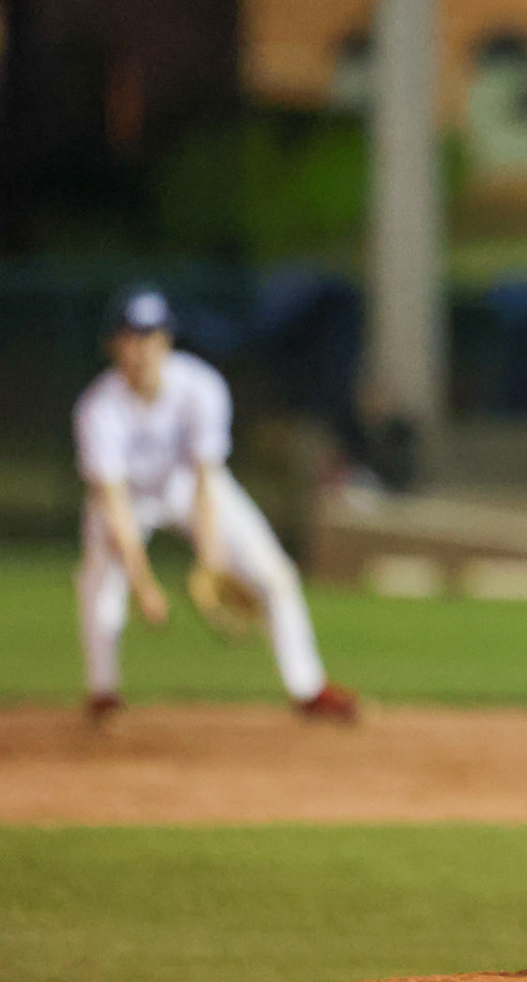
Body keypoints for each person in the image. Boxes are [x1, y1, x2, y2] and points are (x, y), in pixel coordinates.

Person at [72, 285, 358, 724]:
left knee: (275, 574)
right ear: (113, 345)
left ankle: (308, 688)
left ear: (167, 340)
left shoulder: (200, 386)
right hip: (127, 497)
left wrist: (211, 559)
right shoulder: (98, 409)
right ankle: (103, 692)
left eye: (150, 335)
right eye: (131, 336)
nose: (142, 347)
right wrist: (144, 584)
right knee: (100, 579)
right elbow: (113, 502)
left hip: (190, 487)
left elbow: (206, 479)